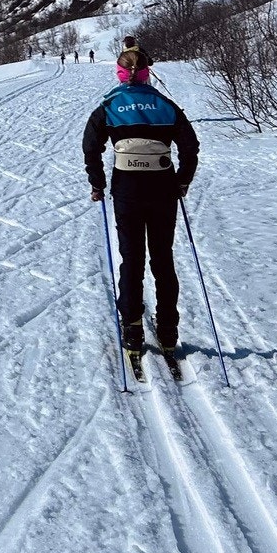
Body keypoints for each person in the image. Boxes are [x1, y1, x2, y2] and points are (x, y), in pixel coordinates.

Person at [83, 38, 199, 357]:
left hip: (126, 189)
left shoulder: (109, 105)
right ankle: (167, 329)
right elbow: (190, 146)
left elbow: (91, 146)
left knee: (131, 258)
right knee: (162, 257)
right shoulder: (165, 104)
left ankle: (132, 327)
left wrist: (98, 182)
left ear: (120, 73)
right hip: (162, 187)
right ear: (147, 72)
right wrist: (182, 181)